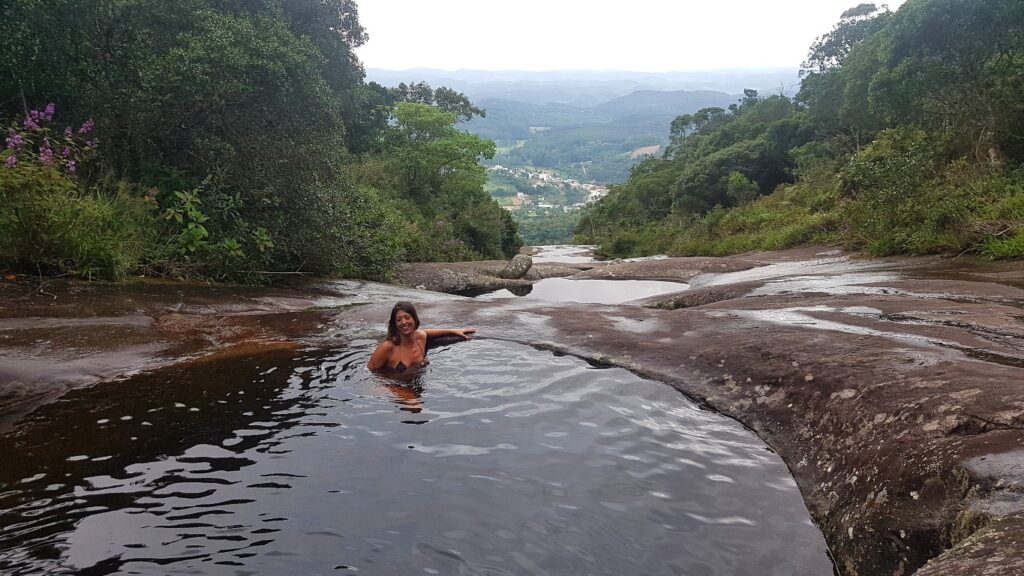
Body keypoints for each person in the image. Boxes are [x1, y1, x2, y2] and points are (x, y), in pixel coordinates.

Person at [367, 301, 476, 373]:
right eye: (399, 320)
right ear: (395, 324)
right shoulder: (388, 346)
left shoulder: (420, 337)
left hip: (416, 383)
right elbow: (368, 373)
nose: (404, 322)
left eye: (407, 317)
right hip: (394, 387)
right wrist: (398, 392)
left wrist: (454, 331)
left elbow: (427, 332)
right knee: (415, 406)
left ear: (414, 319)